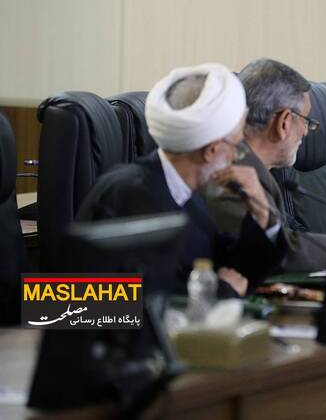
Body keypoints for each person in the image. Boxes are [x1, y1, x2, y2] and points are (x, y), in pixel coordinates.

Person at [76, 63, 282, 297]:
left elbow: (234, 270)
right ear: (211, 151)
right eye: (236, 146)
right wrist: (221, 291)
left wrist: (261, 215)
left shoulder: (187, 195)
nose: (236, 156)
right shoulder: (128, 195)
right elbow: (121, 302)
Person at [205, 58, 326, 272]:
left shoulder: (255, 169)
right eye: (306, 121)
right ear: (284, 122)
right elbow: (273, 255)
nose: (306, 131)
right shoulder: (231, 174)